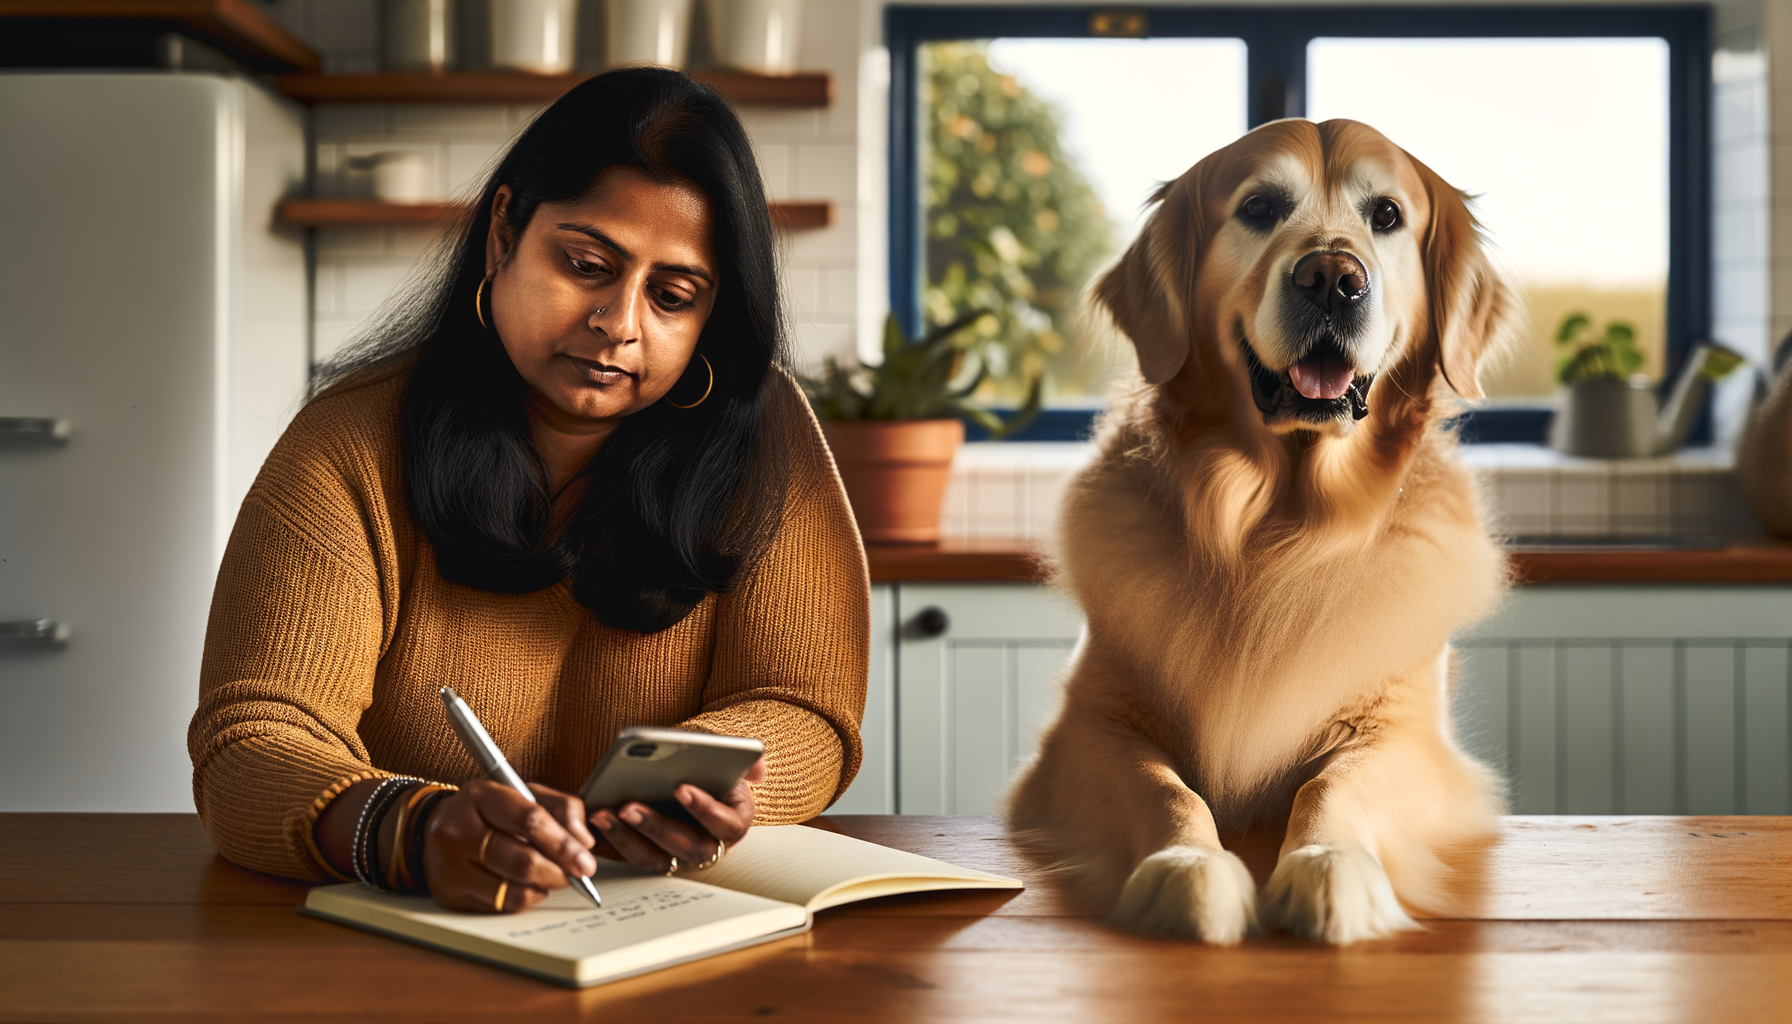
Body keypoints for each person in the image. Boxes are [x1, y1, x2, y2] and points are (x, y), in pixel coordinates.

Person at [188, 68, 869, 913]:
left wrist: (712, 785)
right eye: (586, 264)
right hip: (397, 941)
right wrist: (414, 829)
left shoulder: (766, 436)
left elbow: (807, 706)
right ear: (505, 231)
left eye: (673, 296)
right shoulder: (348, 444)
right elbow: (252, 741)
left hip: (665, 933)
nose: (620, 323)